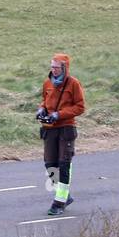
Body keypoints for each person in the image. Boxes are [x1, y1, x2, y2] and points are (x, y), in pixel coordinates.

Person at [35, 53, 85, 216]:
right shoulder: (47, 83)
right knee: (50, 164)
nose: (53, 70)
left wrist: (60, 114)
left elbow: (80, 107)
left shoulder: (73, 84)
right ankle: (64, 195)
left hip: (66, 129)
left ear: (64, 68)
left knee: (63, 164)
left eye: (56, 67)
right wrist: (42, 109)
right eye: (52, 67)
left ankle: (59, 203)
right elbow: (45, 100)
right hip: (49, 129)